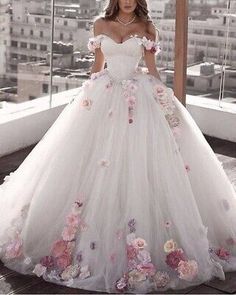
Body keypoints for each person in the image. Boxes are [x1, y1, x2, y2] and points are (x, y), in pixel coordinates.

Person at [0, 0, 236, 293]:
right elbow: (97, 68)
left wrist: (165, 104)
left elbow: (152, 71)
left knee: (141, 162)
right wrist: (85, 103)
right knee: (89, 161)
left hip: (140, 96)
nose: (127, 0)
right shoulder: (100, 24)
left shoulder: (148, 27)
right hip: (104, 93)